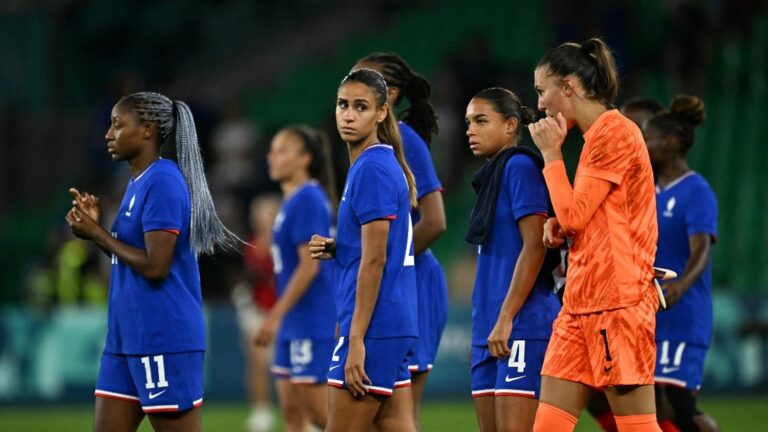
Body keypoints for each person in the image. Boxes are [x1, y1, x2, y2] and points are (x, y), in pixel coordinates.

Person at [65, 91, 239, 432]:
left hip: (163, 337)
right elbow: (133, 261)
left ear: (147, 131)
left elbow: (156, 266)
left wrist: (98, 234)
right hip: (125, 338)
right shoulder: (137, 182)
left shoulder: (163, 181)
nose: (107, 134)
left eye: (117, 125)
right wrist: (96, 231)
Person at [527, 38, 660, 432]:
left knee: (638, 427)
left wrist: (551, 157)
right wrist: (559, 228)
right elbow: (584, 217)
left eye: (541, 91)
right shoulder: (594, 139)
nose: (539, 105)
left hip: (617, 304)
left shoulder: (615, 133)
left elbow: (574, 217)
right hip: (579, 304)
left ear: (567, 86)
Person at [308, 68, 418, 432]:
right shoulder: (376, 163)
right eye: (343, 105)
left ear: (382, 113)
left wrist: (356, 337)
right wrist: (342, 247)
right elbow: (372, 246)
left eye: (361, 107)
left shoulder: (371, 168)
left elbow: (376, 259)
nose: (349, 115)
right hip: (392, 321)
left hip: (374, 326)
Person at [354, 52, 448, 425]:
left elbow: (435, 221)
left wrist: (391, 265)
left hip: (411, 284)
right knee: (382, 416)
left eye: (366, 79)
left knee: (396, 416)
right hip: (388, 282)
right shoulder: (371, 145)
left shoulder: (405, 140)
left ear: (390, 94)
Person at [465, 87, 561, 432]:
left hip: (521, 322)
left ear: (510, 125)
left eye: (480, 121)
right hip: (489, 326)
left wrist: (506, 317)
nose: (470, 130)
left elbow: (535, 245)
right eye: (468, 123)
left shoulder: (519, 166)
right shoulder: (491, 176)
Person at [587, 96, 664, 432]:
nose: (637, 135)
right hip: (612, 296)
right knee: (596, 396)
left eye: (643, 127)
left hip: (633, 299)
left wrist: (552, 157)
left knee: (668, 406)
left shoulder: (683, 189)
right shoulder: (620, 176)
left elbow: (577, 217)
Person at [253, 125, 338, 431]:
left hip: (312, 321)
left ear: (304, 158)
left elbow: (310, 265)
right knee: (292, 413)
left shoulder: (308, 199)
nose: (272, 156)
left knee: (322, 417)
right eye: (272, 150)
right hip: (294, 323)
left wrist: (274, 316)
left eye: (282, 150)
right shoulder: (289, 203)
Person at [645, 95, 719, 432]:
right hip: (653, 313)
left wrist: (680, 285)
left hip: (684, 313)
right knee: (658, 409)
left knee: (680, 406)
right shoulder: (651, 191)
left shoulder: (696, 191)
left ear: (671, 142)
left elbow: (701, 246)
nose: (644, 146)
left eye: (649, 139)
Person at [231, 195, 280, 432]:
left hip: (283, 311)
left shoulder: (285, 239)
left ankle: (304, 413)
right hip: (259, 310)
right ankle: (261, 411)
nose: (259, 217)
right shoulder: (251, 243)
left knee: (288, 367)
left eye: (264, 212)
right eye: (257, 213)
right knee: (256, 362)